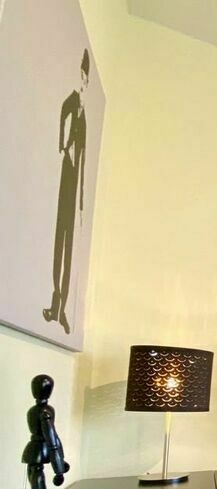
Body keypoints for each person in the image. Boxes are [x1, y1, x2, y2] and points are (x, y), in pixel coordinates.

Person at [43, 49, 89, 335]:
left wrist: (82, 204)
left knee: (70, 250)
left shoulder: (84, 119)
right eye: (82, 76)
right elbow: (63, 143)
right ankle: (54, 300)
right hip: (64, 181)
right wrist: (65, 148)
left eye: (86, 79)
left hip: (74, 193)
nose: (83, 83)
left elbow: (84, 163)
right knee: (59, 245)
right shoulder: (70, 104)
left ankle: (62, 311)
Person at [21, 375, 70, 489]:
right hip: (36, 459)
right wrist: (58, 469)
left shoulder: (35, 411)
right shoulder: (44, 412)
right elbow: (51, 440)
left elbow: (54, 438)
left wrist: (60, 462)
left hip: (36, 456)